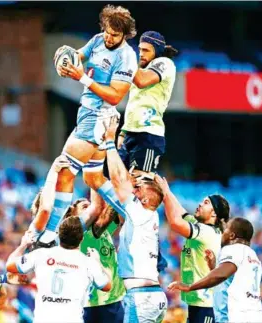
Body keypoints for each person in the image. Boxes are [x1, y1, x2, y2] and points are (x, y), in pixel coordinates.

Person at [33, 4, 139, 247]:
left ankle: (49, 236)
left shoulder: (126, 57)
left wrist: (81, 77)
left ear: (125, 34)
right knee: (92, 178)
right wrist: (64, 64)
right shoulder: (98, 40)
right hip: (89, 114)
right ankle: (134, 214)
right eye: (107, 32)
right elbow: (77, 56)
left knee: (64, 171)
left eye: (115, 35)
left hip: (98, 116)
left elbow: (114, 96)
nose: (109, 38)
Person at [102, 116, 167, 322]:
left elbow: (118, 181)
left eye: (139, 188)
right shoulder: (147, 215)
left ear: (147, 198)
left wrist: (109, 142)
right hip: (152, 295)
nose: (135, 188)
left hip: (141, 297)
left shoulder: (140, 212)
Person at [6, 217, 112, 323]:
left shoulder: (41, 254)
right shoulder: (88, 262)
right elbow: (107, 286)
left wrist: (23, 244)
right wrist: (97, 261)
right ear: (81, 239)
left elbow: (10, 265)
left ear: (58, 235)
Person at [154, 174, 230, 323]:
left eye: (206, 202)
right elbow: (181, 213)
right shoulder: (202, 227)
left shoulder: (206, 232)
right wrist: (167, 192)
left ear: (214, 213)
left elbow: (175, 222)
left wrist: (164, 193)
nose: (200, 204)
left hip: (206, 305)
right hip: (198, 303)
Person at [168, 217, 262, 323]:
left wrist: (190, 287)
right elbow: (229, 280)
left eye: (225, 229)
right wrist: (214, 267)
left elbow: (220, 275)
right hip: (255, 315)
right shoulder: (252, 255)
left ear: (232, 235)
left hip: (236, 317)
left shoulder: (233, 249)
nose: (222, 233)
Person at [117, 31, 178, 177]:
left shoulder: (165, 63)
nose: (141, 54)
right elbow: (134, 104)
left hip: (148, 135)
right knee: (116, 180)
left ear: (156, 51)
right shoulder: (140, 69)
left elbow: (142, 81)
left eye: (146, 50)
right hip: (130, 133)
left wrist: (126, 54)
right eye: (139, 49)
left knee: (140, 186)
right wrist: (123, 133)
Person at [64, 200, 126, 323]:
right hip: (96, 304)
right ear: (74, 216)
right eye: (85, 207)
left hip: (113, 300)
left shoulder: (104, 231)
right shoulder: (84, 234)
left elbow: (120, 214)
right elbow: (111, 209)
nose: (93, 210)